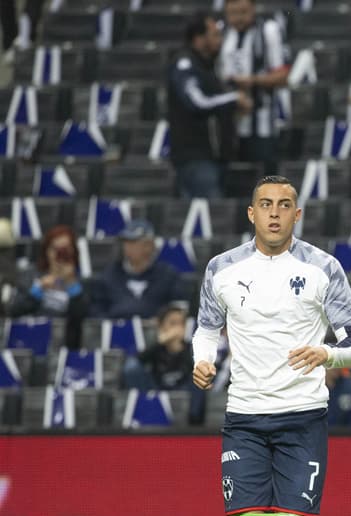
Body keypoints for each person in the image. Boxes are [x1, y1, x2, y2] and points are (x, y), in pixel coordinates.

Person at [191, 175, 351, 516]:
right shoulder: (222, 269)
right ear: (251, 213)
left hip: (302, 417)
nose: (274, 213)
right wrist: (202, 357)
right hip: (244, 416)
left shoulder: (322, 269)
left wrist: (327, 353)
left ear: (297, 215)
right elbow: (206, 327)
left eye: (284, 206)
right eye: (265, 205)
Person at [168, 12, 250, 199]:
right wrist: (234, 99)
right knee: (211, 217)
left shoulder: (207, 66)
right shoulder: (185, 64)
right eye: (214, 35)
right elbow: (197, 101)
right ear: (199, 39)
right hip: (195, 158)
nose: (219, 40)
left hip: (215, 157)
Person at [218, 0, 290, 174]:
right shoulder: (221, 31)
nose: (239, 18)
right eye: (233, 13)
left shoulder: (268, 31)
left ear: (253, 9)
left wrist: (252, 81)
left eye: (243, 12)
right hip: (228, 124)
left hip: (262, 122)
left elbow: (283, 76)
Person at [7, 224, 88, 348]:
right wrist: (38, 289)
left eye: (65, 249)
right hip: (30, 341)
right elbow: (14, 311)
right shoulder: (29, 276)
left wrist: (71, 284)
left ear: (73, 251)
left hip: (65, 345)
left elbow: (83, 320)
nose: (59, 254)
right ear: (46, 251)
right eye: (55, 249)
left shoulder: (83, 282)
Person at [90, 220, 184, 320]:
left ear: (150, 245)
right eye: (126, 242)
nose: (128, 247)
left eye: (134, 242)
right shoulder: (108, 276)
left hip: (158, 333)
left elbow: (178, 309)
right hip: (117, 331)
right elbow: (97, 312)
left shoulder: (168, 275)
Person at [129, 302, 206, 425]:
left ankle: (193, 424)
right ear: (161, 326)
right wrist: (161, 342)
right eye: (172, 323)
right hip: (157, 391)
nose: (177, 328)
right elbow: (133, 366)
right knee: (132, 367)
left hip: (183, 394)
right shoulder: (155, 348)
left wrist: (179, 348)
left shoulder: (191, 348)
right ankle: (146, 412)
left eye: (181, 324)